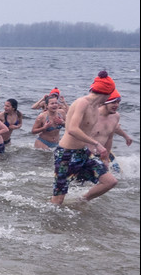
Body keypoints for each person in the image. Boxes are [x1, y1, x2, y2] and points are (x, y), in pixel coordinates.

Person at [51, 71, 119, 206]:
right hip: (66, 153)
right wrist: (96, 144)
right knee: (58, 199)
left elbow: (94, 131)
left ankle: (80, 202)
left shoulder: (96, 107)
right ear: (107, 92)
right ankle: (51, 222)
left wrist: (103, 157)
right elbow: (72, 129)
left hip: (83, 153)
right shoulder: (83, 103)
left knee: (110, 181)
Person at [92, 90, 132, 175]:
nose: (117, 105)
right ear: (105, 102)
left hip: (104, 152)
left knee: (118, 173)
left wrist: (106, 158)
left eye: (118, 102)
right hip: (88, 154)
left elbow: (110, 137)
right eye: (113, 102)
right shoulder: (93, 115)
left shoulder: (115, 116)